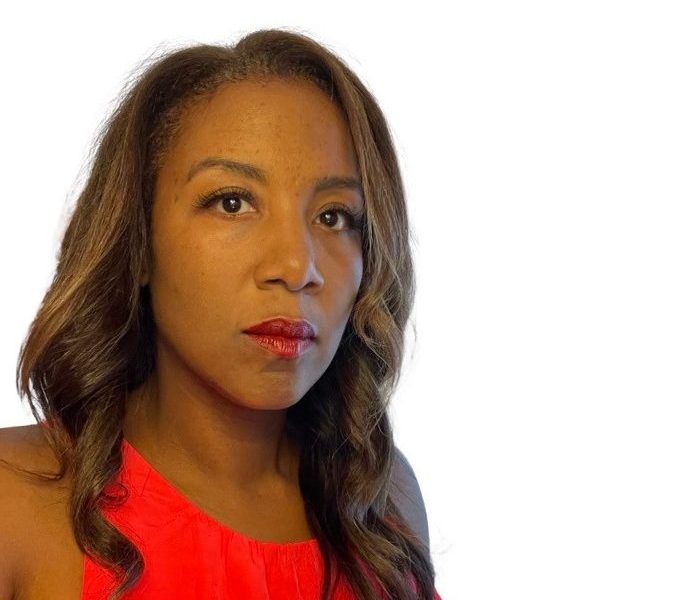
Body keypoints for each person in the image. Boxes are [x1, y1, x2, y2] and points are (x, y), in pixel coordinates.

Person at [0, 28, 443, 599]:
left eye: (334, 217)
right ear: (139, 244)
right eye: (232, 203)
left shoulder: (380, 501)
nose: (296, 266)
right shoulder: (17, 503)